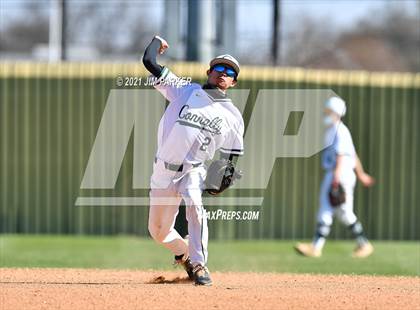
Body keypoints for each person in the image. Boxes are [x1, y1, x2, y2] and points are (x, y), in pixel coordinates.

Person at [143, 35, 244, 285]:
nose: (223, 72)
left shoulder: (232, 117)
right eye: (219, 68)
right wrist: (157, 43)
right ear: (209, 72)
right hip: (163, 170)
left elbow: (232, 155)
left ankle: (199, 264)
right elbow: (149, 62)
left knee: (195, 207)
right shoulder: (185, 90)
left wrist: (227, 172)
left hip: (194, 170)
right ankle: (183, 252)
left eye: (229, 71)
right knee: (158, 232)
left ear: (233, 82)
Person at [295, 97, 375, 258]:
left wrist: (336, 178)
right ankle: (317, 247)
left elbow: (342, 156)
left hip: (339, 173)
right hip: (338, 173)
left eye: (329, 111)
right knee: (331, 211)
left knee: (340, 212)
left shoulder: (340, 130)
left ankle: (362, 244)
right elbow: (352, 154)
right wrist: (361, 174)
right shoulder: (333, 130)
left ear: (337, 113)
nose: (326, 114)